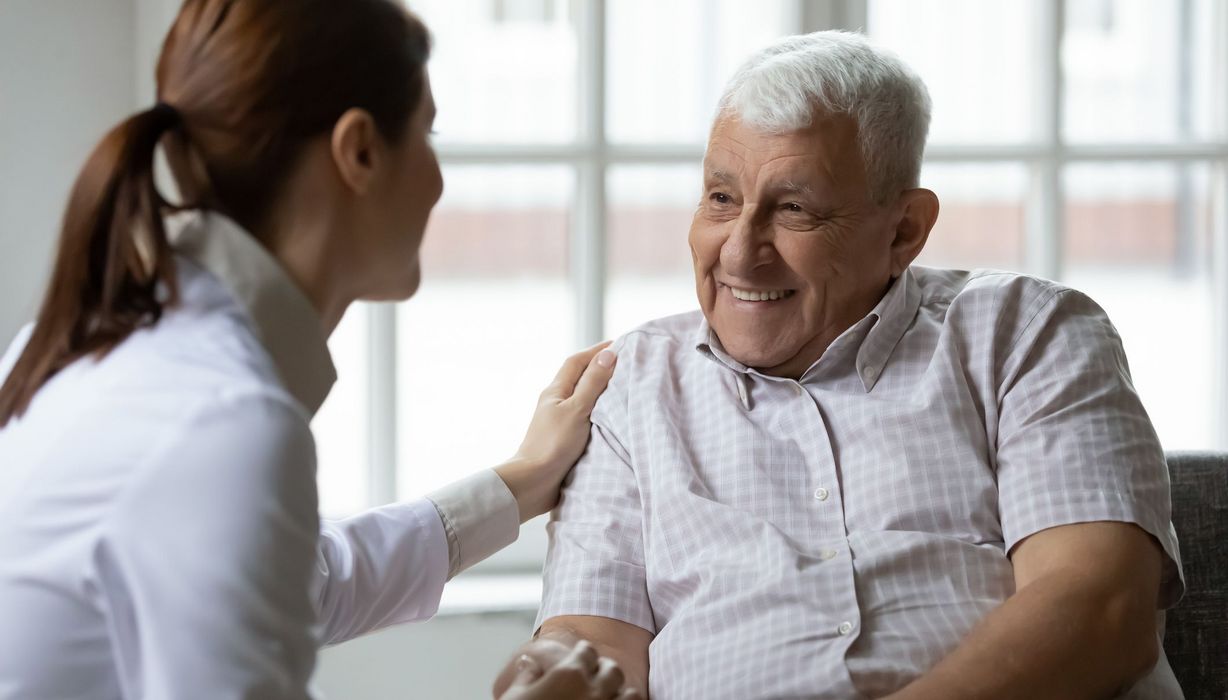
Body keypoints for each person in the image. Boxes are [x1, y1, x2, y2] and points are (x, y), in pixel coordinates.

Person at [497, 30, 1184, 699]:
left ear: (904, 230)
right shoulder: (633, 386)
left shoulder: (1028, 335)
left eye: (793, 209)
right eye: (721, 198)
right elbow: (596, 640)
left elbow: (1101, 611)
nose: (738, 253)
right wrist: (553, 669)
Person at [0, 1, 637, 698]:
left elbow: (307, 580)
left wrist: (523, 480)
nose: (439, 181)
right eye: (429, 134)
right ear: (359, 150)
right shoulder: (221, 421)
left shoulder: (91, 347)